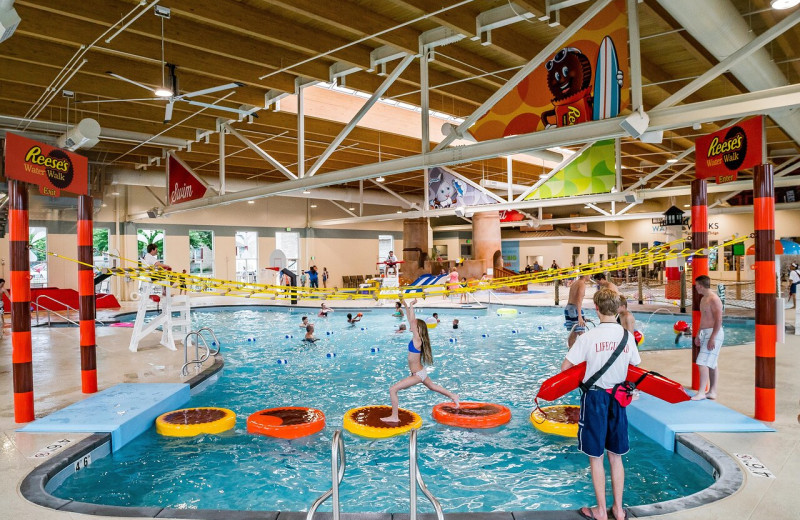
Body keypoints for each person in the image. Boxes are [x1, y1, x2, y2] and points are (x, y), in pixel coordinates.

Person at [561, 288, 641, 520]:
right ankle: (618, 509)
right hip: (618, 399)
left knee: (596, 457)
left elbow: (565, 370)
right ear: (617, 309)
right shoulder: (627, 336)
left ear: (596, 309)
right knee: (616, 456)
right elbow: (634, 368)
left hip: (594, 399)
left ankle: (600, 512)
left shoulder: (588, 338)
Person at [381, 299, 459, 423]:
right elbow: (410, 318)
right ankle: (453, 396)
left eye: (413, 323)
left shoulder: (417, 340)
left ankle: (395, 417)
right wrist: (408, 305)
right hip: (420, 372)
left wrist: (411, 307)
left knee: (393, 389)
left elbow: (412, 319)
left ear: (417, 328)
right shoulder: (416, 338)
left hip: (417, 375)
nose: (410, 323)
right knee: (433, 386)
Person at [692, 275, 724, 401]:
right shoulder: (703, 299)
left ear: (700, 285)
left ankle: (701, 392)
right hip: (705, 332)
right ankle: (712, 392)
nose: (696, 288)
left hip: (713, 333)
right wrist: (698, 334)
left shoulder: (714, 299)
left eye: (696, 286)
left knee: (702, 362)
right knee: (712, 364)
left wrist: (712, 337)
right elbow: (703, 319)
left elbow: (719, 319)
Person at [566, 273, 590, 347]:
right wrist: (580, 316)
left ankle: (570, 352)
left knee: (573, 332)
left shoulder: (575, 283)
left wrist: (582, 316)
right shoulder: (582, 284)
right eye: (590, 274)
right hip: (574, 309)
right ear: (586, 275)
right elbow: (578, 301)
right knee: (581, 333)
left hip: (568, 308)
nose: (590, 276)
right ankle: (584, 354)